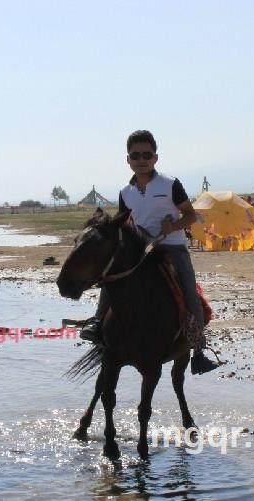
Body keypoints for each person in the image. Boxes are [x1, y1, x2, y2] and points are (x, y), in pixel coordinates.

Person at [80, 129, 219, 374]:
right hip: (140, 249)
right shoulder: (125, 192)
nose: (141, 160)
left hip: (172, 247)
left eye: (147, 154)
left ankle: (198, 349)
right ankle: (98, 322)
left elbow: (191, 215)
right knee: (110, 280)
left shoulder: (170, 184)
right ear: (128, 160)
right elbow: (125, 223)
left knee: (188, 290)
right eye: (136, 155)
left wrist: (173, 226)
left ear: (155, 157)